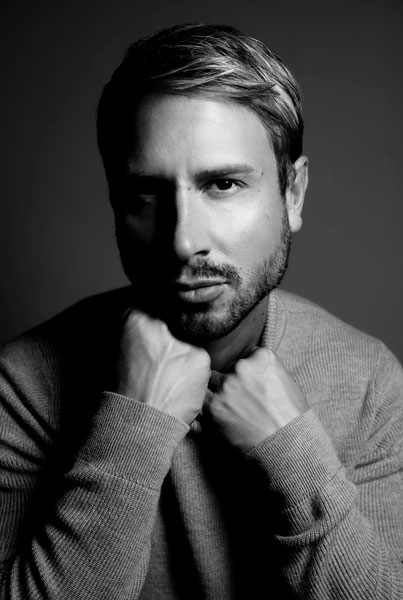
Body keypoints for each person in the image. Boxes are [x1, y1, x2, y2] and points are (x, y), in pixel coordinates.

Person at [0, 22, 402, 600]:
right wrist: (134, 428)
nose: (183, 241)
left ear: (293, 194)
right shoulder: (25, 386)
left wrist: (293, 456)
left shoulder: (368, 383)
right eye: (146, 194)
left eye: (223, 185)